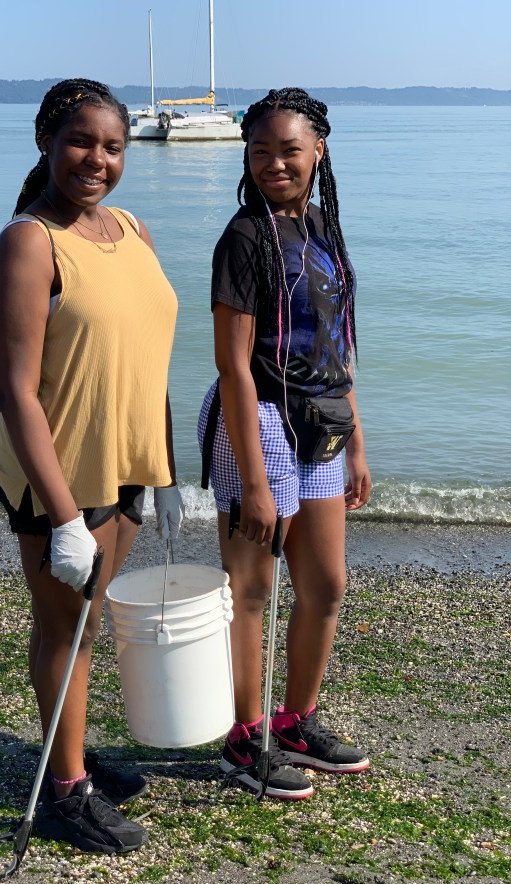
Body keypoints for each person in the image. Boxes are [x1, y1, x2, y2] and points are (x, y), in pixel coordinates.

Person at [0, 78, 184, 852]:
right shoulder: (29, 243)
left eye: (112, 147)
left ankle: (68, 752)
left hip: (126, 461)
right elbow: (17, 391)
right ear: (45, 142)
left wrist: (167, 472)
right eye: (79, 142)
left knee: (86, 621)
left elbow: (147, 356)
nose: (96, 160)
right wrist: (64, 517)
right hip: (59, 470)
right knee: (65, 625)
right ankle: (65, 793)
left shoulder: (132, 228)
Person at [198, 88, 371, 800]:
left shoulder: (324, 227)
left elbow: (337, 344)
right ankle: (245, 739)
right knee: (251, 590)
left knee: (325, 584)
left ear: (317, 152)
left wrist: (356, 441)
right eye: (260, 151)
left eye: (289, 150)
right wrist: (256, 482)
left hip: (322, 422)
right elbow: (233, 366)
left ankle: (295, 721)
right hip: (260, 420)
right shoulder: (244, 237)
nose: (274, 163)